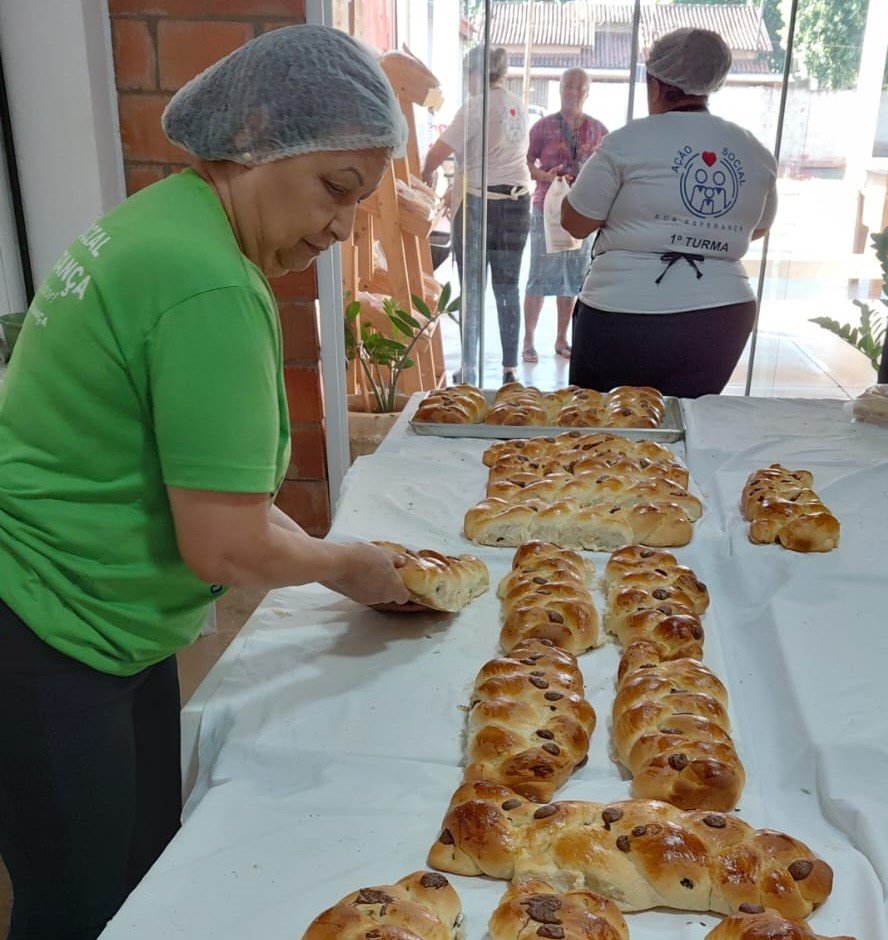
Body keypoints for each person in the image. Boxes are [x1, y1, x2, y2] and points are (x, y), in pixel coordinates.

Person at [0, 25, 415, 940]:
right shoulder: (207, 284)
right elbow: (226, 545)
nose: (342, 228)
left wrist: (319, 547)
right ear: (256, 137)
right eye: (335, 188)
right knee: (78, 902)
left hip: (98, 613)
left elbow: (215, 493)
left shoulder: (161, 218)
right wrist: (351, 567)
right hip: (43, 616)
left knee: (147, 859)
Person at [561, 28, 778, 398]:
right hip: (721, 315)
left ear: (655, 85)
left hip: (622, 313)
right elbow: (756, 227)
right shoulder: (754, 150)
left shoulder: (627, 142)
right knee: (686, 420)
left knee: (601, 420)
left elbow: (575, 222)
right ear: (711, 83)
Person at [422, 46, 531, 386]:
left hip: (479, 204)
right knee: (508, 287)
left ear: (475, 74)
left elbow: (437, 153)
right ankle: (510, 369)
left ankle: (469, 367)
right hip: (518, 202)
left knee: (472, 288)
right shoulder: (517, 105)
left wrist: (423, 177)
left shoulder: (474, 107)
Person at [522, 67, 608, 363]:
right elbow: (525, 162)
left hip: (582, 211)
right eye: (568, 86)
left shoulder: (598, 130)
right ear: (559, 89)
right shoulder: (543, 126)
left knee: (573, 276)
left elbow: (609, 170)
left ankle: (562, 338)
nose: (573, 92)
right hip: (545, 209)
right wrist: (544, 175)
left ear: (588, 92)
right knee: (538, 274)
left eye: (579, 87)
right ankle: (528, 339)